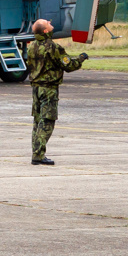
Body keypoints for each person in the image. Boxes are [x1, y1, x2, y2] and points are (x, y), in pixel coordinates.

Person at [25, 19, 87, 166]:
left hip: (36, 88)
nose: (51, 23)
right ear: (46, 31)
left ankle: (37, 153)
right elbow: (69, 65)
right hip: (48, 89)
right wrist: (81, 58)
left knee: (38, 120)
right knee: (47, 121)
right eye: (48, 23)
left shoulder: (31, 46)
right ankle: (38, 155)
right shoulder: (53, 47)